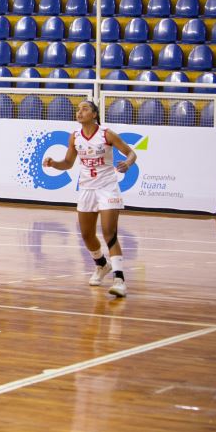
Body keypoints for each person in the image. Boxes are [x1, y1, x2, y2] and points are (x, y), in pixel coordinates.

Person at [43, 100, 136, 298]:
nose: (80, 112)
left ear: (94, 114)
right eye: (78, 109)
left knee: (109, 233)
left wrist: (128, 163)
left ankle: (119, 280)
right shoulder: (74, 136)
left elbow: (131, 152)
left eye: (84, 109)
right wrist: (53, 164)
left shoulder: (106, 134)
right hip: (86, 189)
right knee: (86, 235)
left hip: (107, 188)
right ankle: (102, 265)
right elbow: (68, 163)